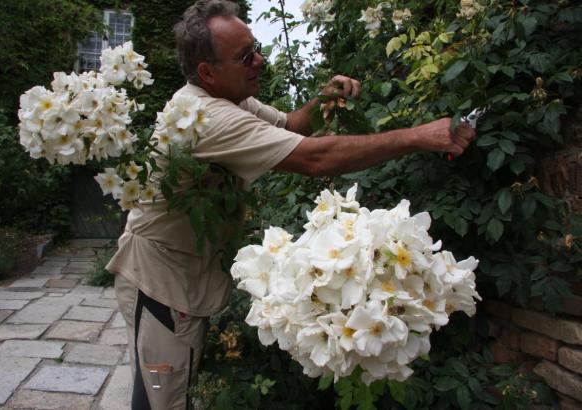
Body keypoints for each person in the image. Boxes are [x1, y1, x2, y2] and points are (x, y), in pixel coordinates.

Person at [107, 1, 476, 409]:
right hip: (160, 281)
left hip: (182, 272)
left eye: (256, 47)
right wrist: (417, 136)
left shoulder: (232, 99)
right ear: (208, 73)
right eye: (245, 56)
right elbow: (313, 158)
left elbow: (291, 126)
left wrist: (323, 100)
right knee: (163, 395)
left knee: (163, 382)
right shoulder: (206, 117)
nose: (259, 60)